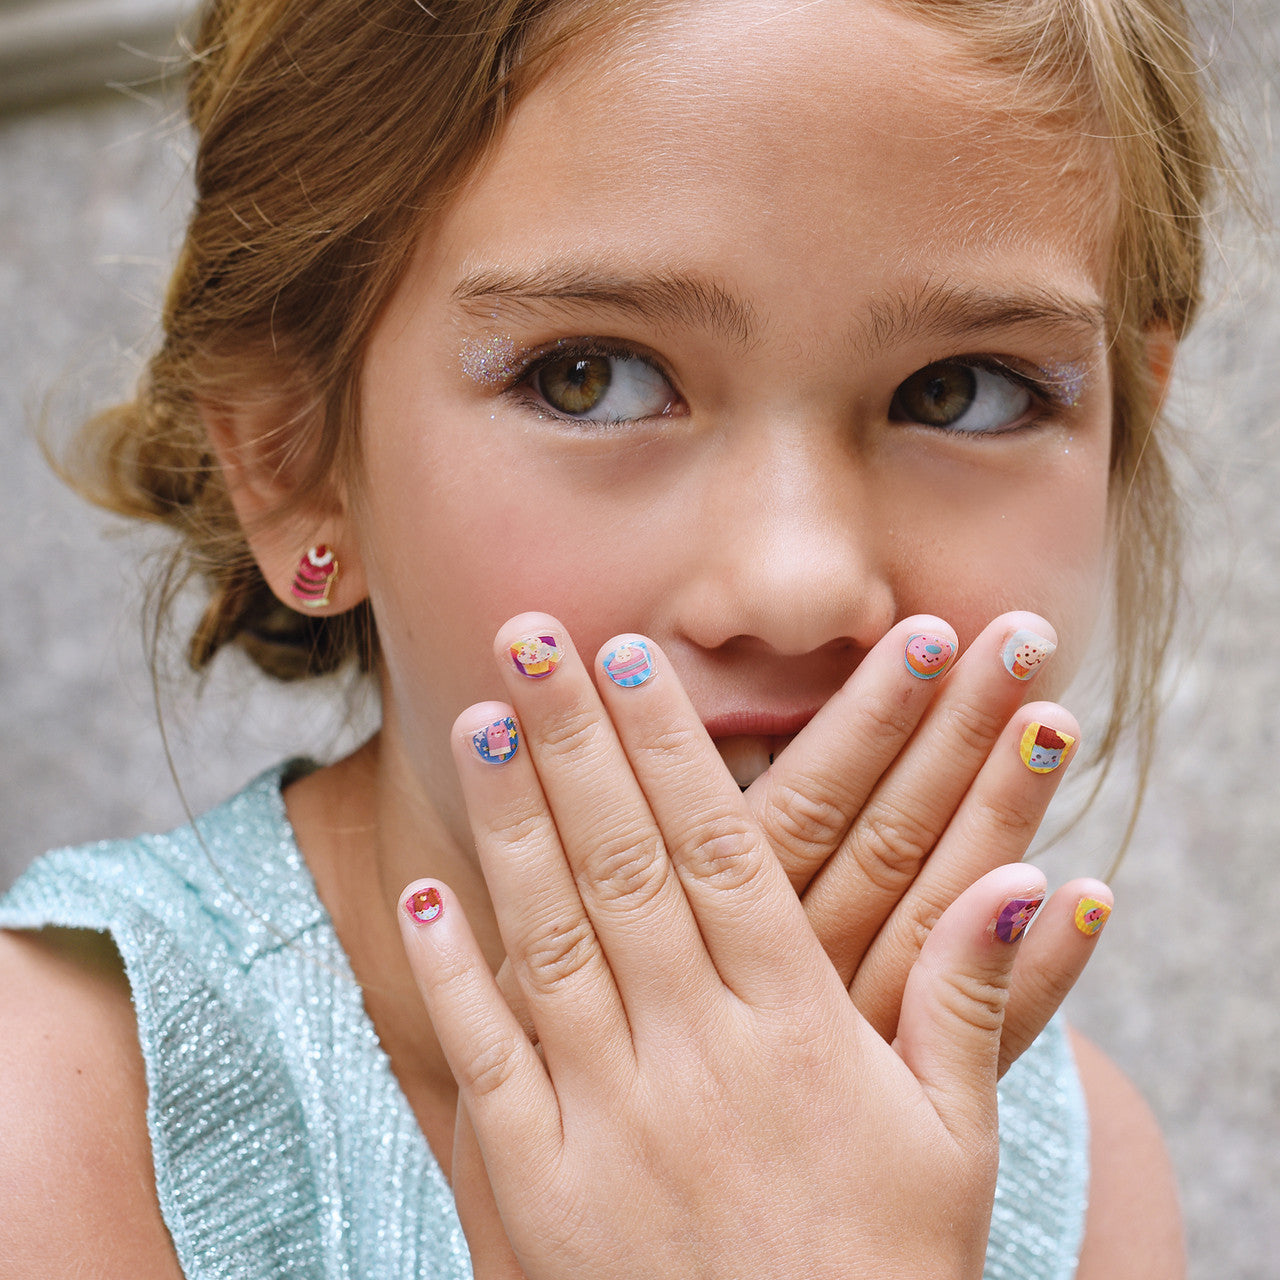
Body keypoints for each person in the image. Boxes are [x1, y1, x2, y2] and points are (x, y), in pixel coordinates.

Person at [0, 0, 1214, 1273]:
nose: (795, 584)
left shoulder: (1084, 1188)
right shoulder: (62, 1118)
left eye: (958, 391)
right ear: (290, 456)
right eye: (589, 376)